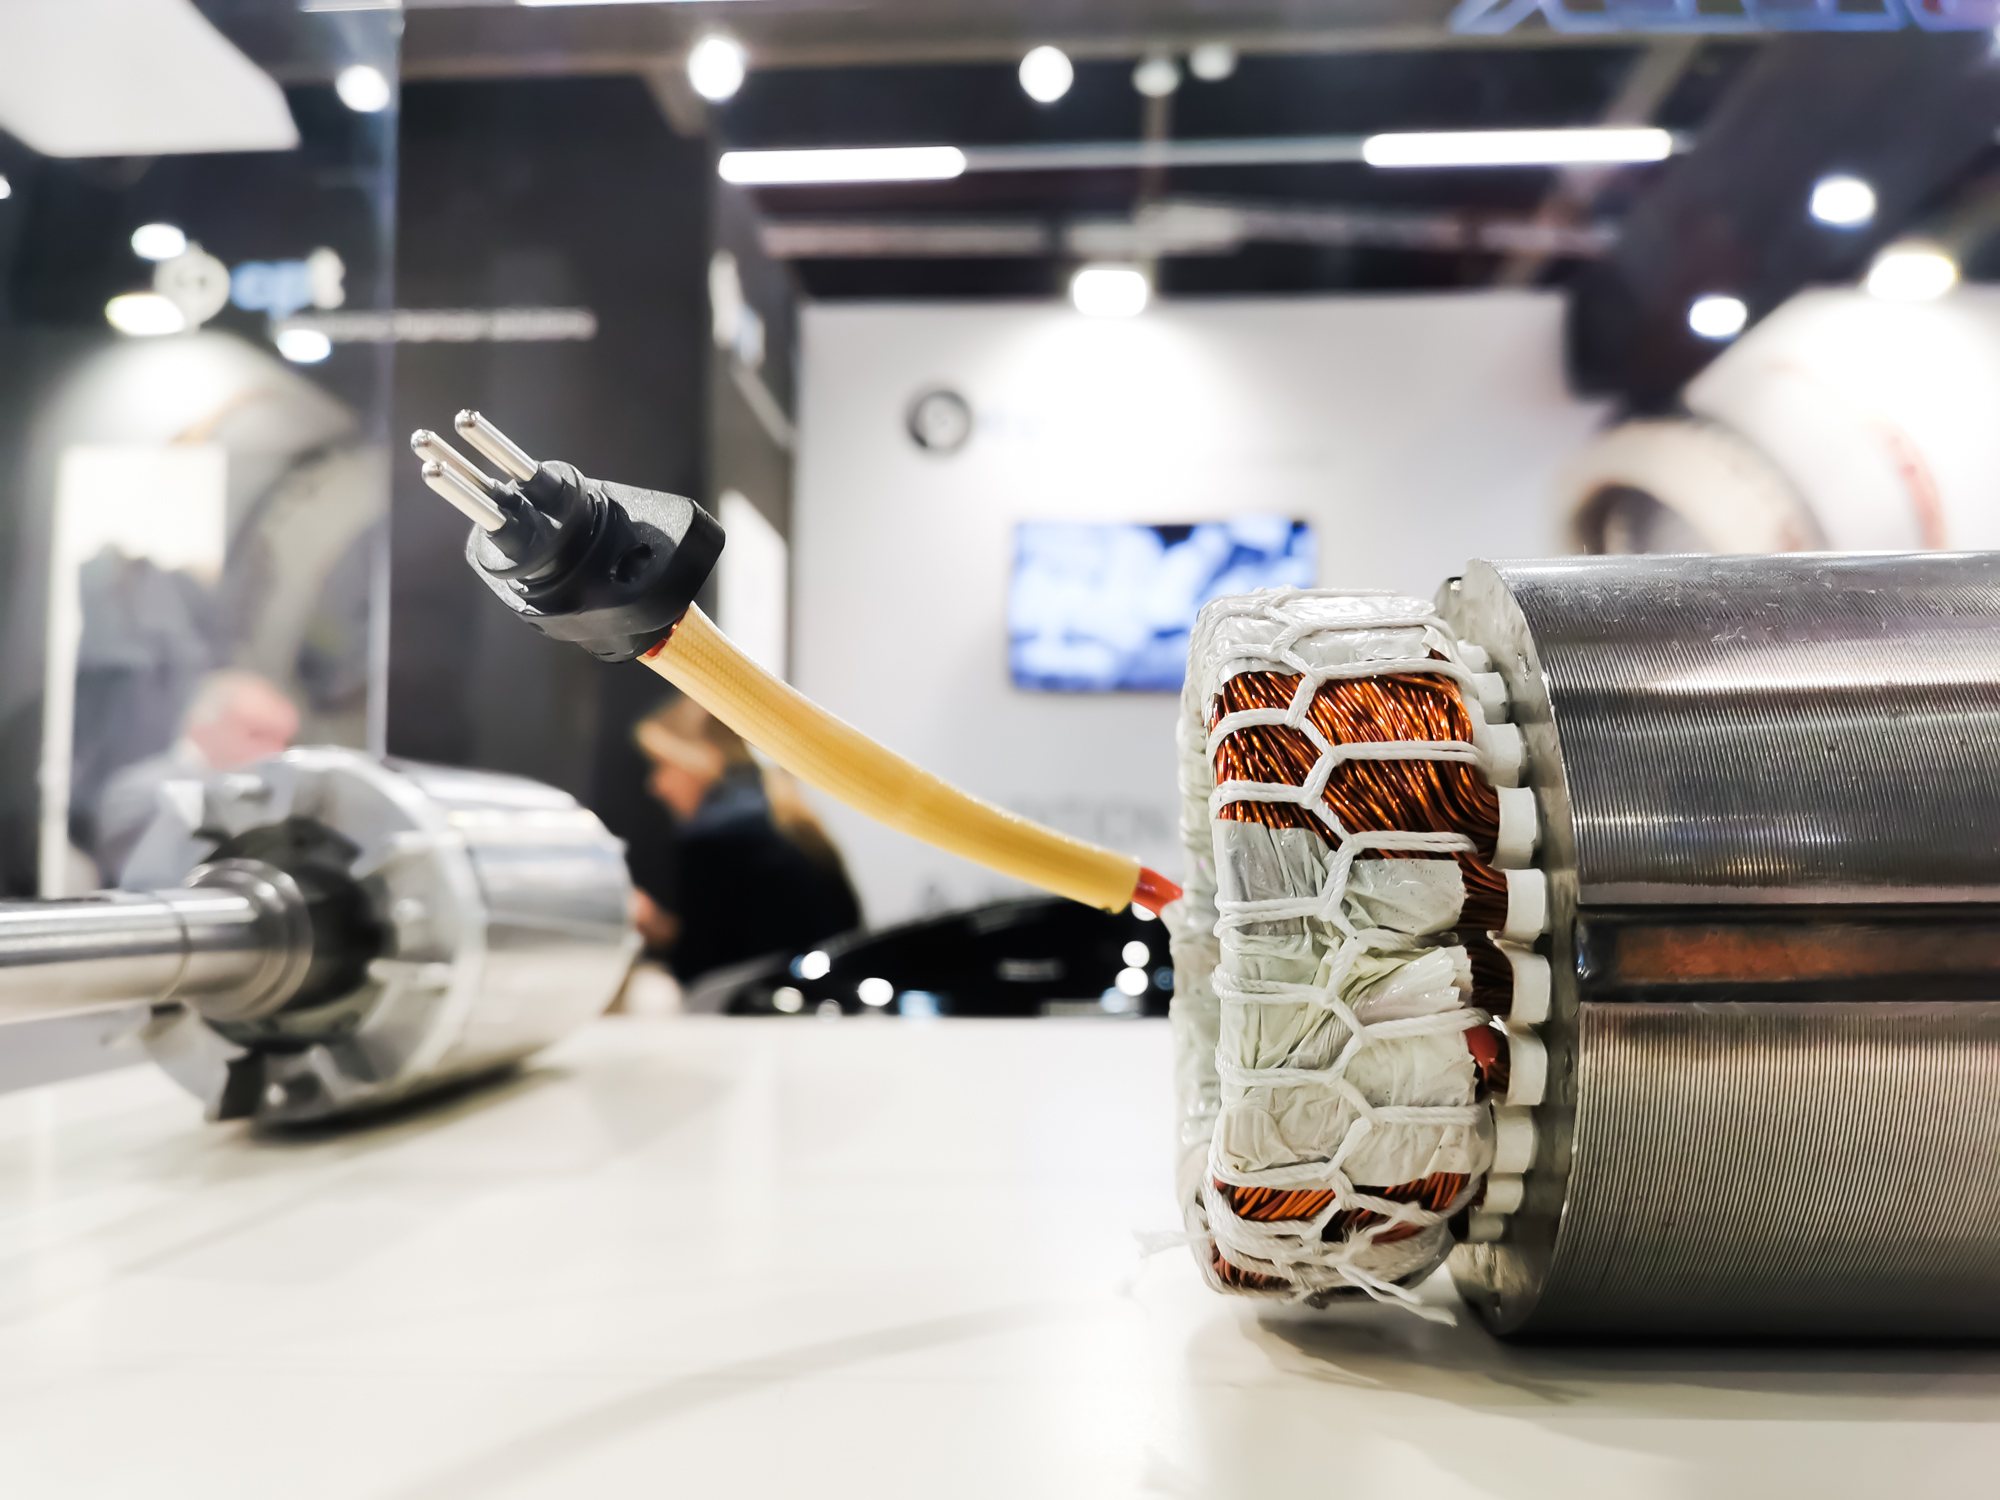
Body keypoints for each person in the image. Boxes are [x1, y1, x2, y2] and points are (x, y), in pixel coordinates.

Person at [632, 693, 860, 983]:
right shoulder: (790, 823)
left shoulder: (714, 843)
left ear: (703, 757)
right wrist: (663, 928)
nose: (655, 785)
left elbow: (701, 970)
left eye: (662, 764)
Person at [93, 670, 299, 883]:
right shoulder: (138, 792)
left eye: (283, 741)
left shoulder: (271, 800)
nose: (275, 753)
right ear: (202, 727)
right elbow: (151, 881)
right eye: (257, 734)